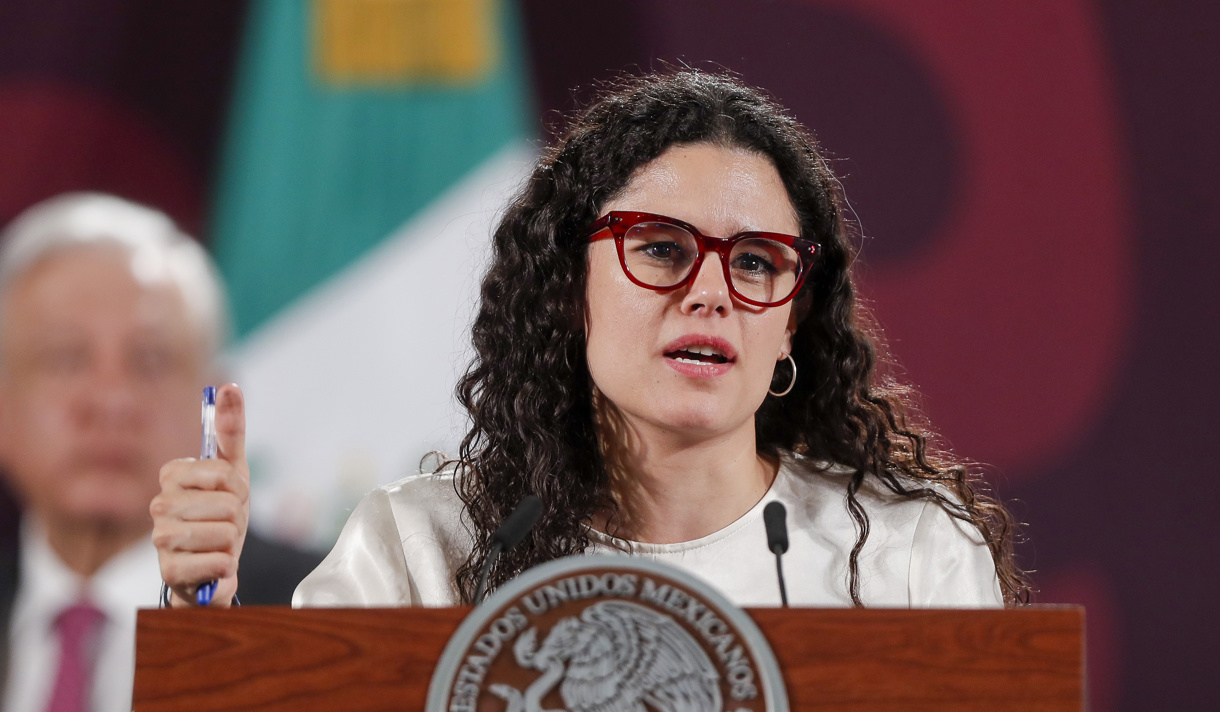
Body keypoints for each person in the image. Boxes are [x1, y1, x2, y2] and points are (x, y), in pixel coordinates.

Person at [153, 70, 1028, 614]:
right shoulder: (426, 550)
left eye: (758, 262)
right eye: (661, 249)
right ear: (571, 290)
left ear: (793, 317)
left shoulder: (908, 555)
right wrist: (200, 623)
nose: (713, 293)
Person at [0, 193, 323, 712]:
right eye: (66, 359)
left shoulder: (320, 608)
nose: (112, 400)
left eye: (150, 361)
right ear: (5, 404)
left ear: (220, 404)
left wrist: (200, 622)